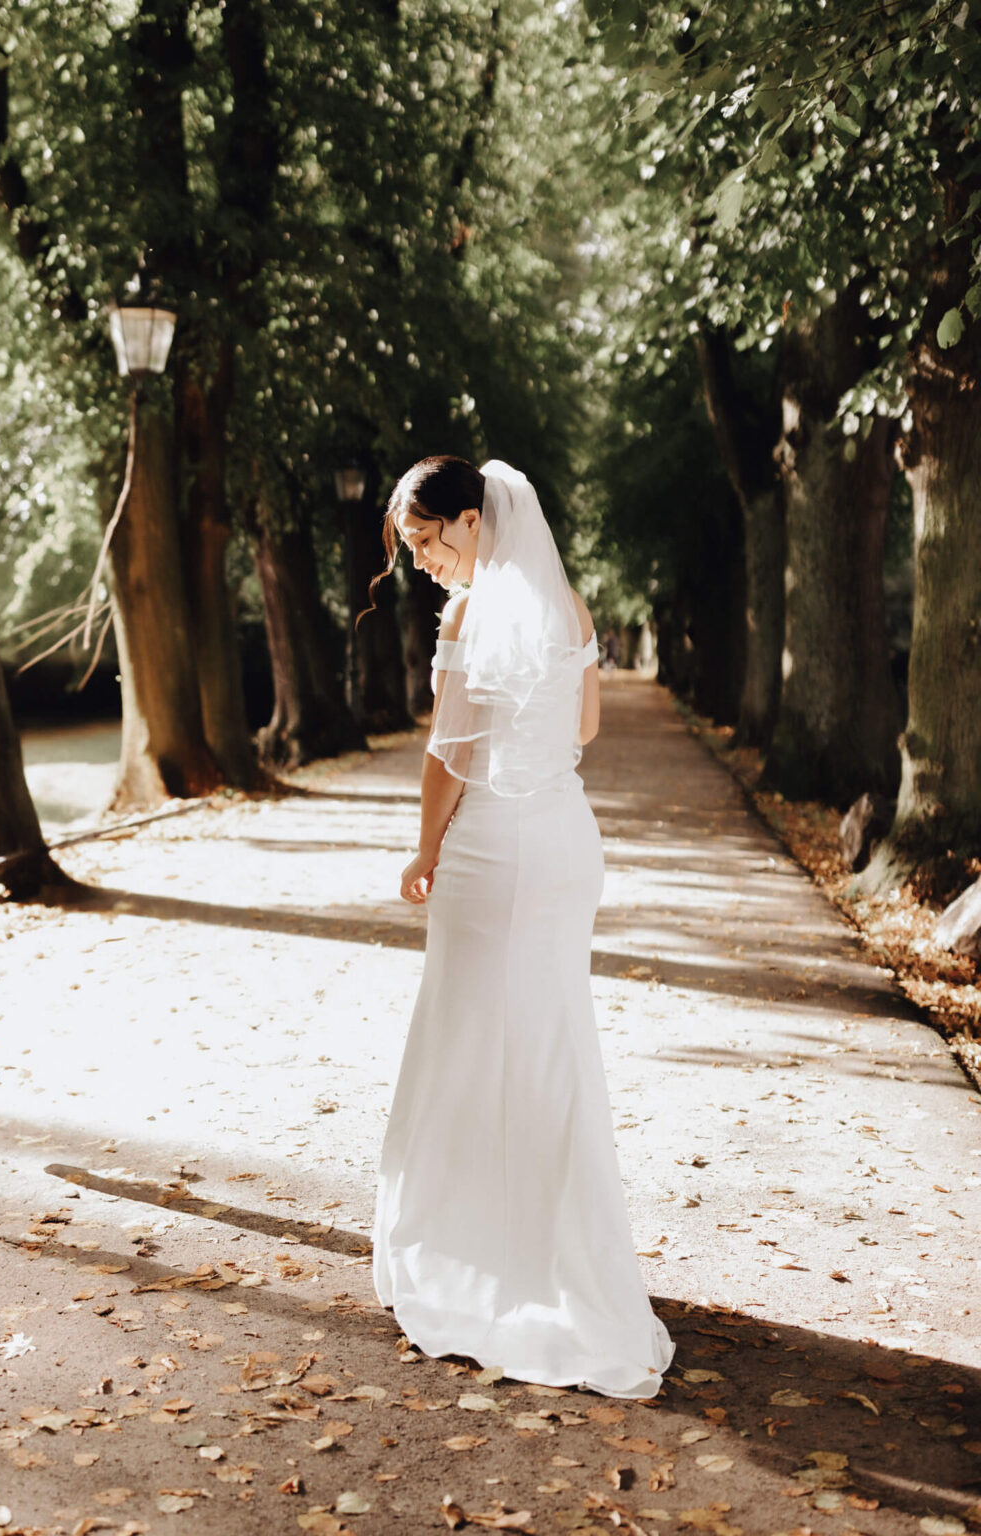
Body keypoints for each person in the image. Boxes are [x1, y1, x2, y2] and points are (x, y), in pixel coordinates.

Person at [368, 455, 674, 1399]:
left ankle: (475, 1249)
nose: (421, 561)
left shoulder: (470, 616)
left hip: (494, 852)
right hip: (566, 845)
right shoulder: (569, 611)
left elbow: (448, 758)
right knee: (549, 1046)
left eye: (426, 540)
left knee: (466, 1040)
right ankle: (565, 1253)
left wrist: (423, 852)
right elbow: (583, 732)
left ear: (471, 518)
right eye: (411, 548)